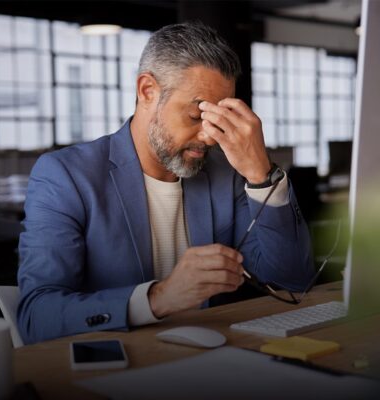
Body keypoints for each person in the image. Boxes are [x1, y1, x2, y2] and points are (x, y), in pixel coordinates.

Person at [17, 22, 314, 344]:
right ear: (147, 91)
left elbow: (293, 280)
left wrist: (261, 175)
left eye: (218, 119)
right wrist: (159, 298)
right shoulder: (66, 176)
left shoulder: (225, 172)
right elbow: (36, 316)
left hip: (212, 362)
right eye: (196, 116)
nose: (209, 135)